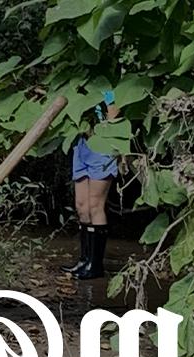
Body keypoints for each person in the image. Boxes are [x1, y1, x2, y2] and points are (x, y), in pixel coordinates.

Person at [61, 91, 119, 281]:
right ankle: (84, 260)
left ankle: (95, 264)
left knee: (95, 205)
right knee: (82, 206)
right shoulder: (79, 87)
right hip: (82, 144)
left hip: (102, 146)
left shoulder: (108, 90)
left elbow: (114, 115)